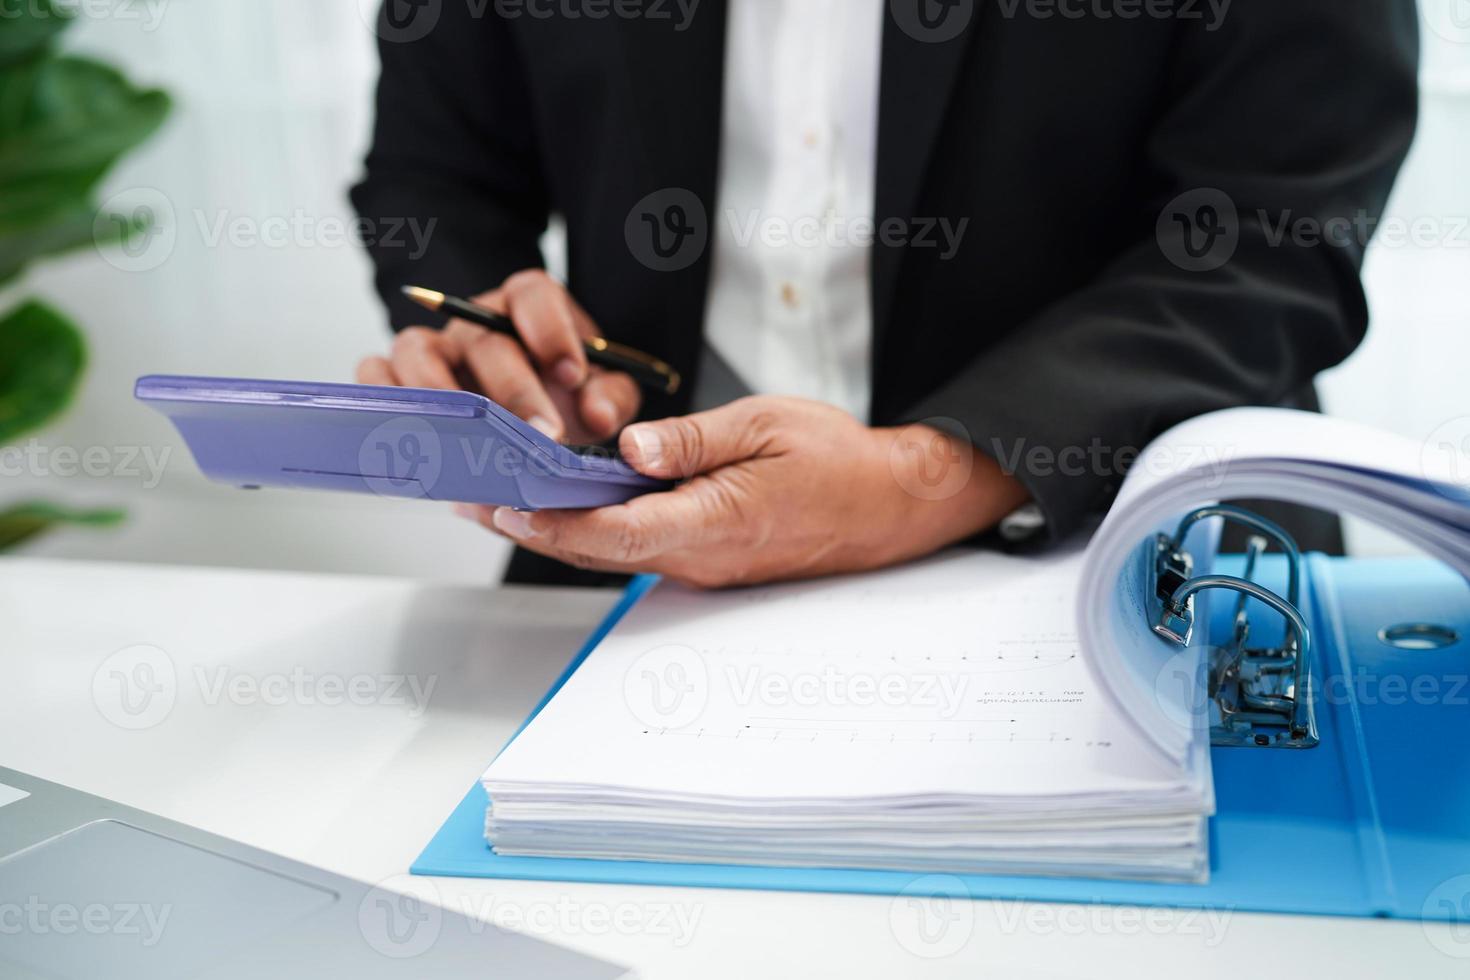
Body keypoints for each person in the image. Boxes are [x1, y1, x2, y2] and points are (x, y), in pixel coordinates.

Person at [351, 0, 1418, 588]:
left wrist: (923, 475)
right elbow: (432, 174)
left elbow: (1271, 241)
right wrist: (479, 316)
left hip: (1126, 550)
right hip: (636, 565)